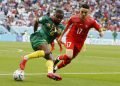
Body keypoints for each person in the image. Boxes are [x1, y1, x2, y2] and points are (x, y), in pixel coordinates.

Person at [53, 4, 104, 73]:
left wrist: (101, 32)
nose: (83, 14)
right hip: (71, 38)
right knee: (69, 55)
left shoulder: (91, 21)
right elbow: (67, 27)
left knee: (69, 60)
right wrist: (61, 36)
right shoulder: (73, 18)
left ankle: (55, 68)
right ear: (79, 10)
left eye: (85, 12)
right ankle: (57, 58)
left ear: (88, 12)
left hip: (80, 43)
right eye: (82, 12)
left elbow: (99, 28)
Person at [19, 9, 65, 81]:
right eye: (57, 17)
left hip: (44, 43)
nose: (59, 19)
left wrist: (59, 41)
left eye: (60, 18)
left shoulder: (61, 27)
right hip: (38, 37)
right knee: (47, 51)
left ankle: (50, 73)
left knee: (52, 60)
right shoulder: (46, 18)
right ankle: (25, 58)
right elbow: (37, 21)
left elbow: (56, 36)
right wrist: (35, 31)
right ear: (54, 15)